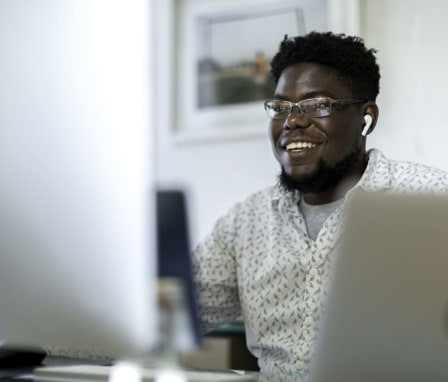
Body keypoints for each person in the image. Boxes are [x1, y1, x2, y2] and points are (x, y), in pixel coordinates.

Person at [192, 31, 448, 378]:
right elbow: (164, 318)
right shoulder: (247, 223)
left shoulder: (430, 198)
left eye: (318, 105)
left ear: (366, 118)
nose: (292, 121)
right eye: (281, 107)